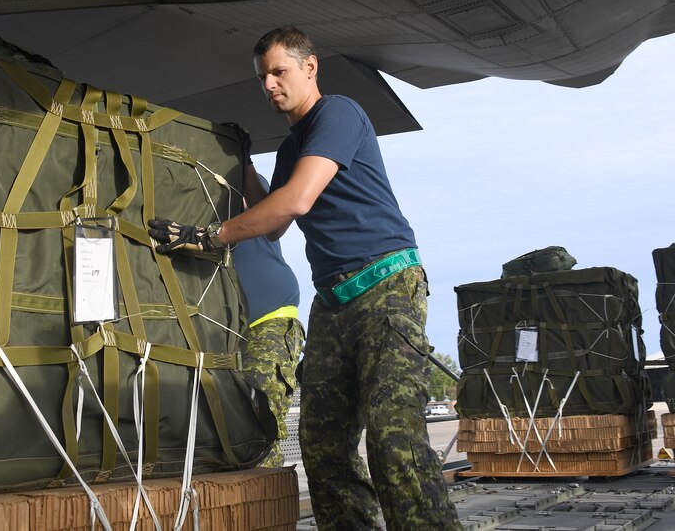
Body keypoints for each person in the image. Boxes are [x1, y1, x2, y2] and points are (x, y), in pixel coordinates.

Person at [149, 26, 459, 529]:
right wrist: (244, 165)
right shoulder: (294, 149)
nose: (269, 85)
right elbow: (275, 230)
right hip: (333, 301)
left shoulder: (338, 113)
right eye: (262, 77)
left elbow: (296, 201)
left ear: (309, 67)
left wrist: (211, 236)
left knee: (393, 439)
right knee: (324, 446)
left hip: (386, 286)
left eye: (279, 72)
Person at [232, 172, 305, 468]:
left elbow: (275, 215)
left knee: (259, 427)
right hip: (222, 326)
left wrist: (245, 165)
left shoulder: (239, 181)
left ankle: (267, 509)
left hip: (269, 318)